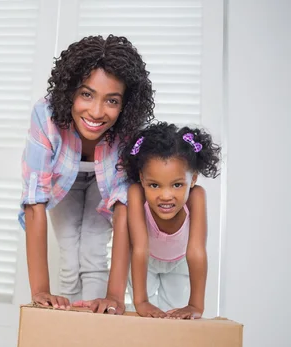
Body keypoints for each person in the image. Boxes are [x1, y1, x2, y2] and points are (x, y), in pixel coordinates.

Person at [18, 35, 154, 309]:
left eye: (112, 101)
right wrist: (40, 291)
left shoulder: (128, 132)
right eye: (87, 94)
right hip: (61, 182)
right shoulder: (45, 115)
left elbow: (123, 207)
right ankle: (67, 329)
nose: (96, 111)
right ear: (70, 91)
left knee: (93, 252)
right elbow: (35, 200)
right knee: (69, 256)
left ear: (125, 104)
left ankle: (94, 329)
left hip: (104, 183)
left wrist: (114, 297)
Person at [115, 122, 221, 319]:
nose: (165, 195)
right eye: (154, 185)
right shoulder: (136, 193)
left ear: (194, 179)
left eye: (177, 185)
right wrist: (141, 301)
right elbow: (140, 247)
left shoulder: (196, 197)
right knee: (145, 317)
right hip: (145, 262)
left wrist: (196, 305)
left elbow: (196, 250)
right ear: (141, 177)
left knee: (175, 317)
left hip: (179, 262)